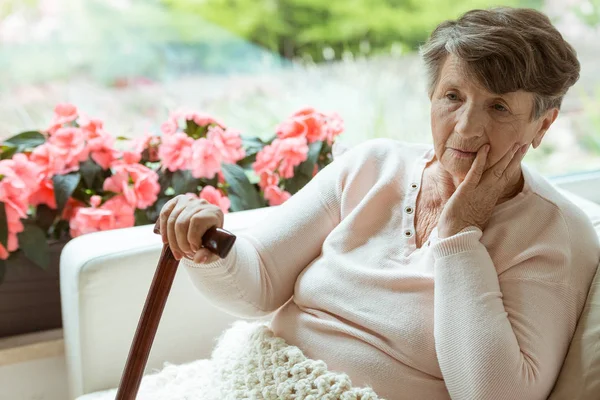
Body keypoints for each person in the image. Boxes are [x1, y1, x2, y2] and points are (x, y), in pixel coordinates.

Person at [158, 7, 600, 400]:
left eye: (499, 107)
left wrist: (459, 233)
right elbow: (258, 285)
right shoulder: (374, 164)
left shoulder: (555, 233)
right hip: (262, 376)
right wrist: (203, 244)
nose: (466, 127)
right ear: (432, 96)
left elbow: (492, 393)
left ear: (542, 125)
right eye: (453, 97)